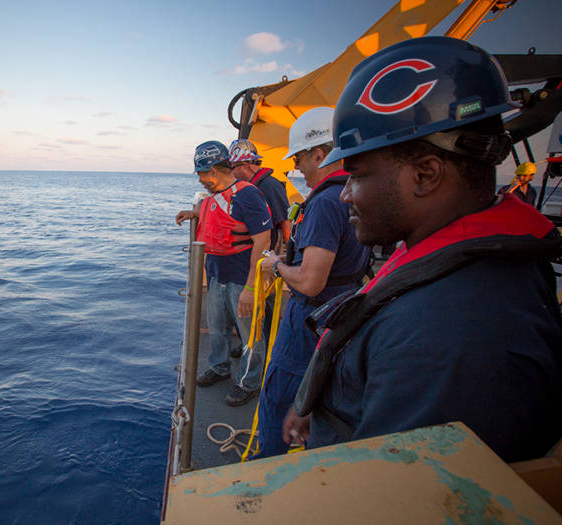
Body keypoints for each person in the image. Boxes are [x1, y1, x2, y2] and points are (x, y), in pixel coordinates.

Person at [283, 36, 562, 463]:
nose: (345, 195)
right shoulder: (451, 257)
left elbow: (392, 498)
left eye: (356, 175)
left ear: (426, 175)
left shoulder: (444, 340)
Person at [251, 107, 371, 458]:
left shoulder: (322, 205)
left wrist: (275, 265)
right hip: (338, 318)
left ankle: (264, 470)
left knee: (280, 401)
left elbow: (310, 281)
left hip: (309, 324)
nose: (298, 169)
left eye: (300, 159)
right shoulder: (352, 194)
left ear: (320, 154)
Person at [175, 140, 272, 406]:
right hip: (217, 274)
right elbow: (214, 208)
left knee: (250, 334)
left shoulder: (248, 195)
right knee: (218, 328)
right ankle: (219, 367)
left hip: (242, 277)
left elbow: (263, 242)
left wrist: (252, 288)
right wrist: (192, 212)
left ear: (217, 169)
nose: (201, 180)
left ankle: (249, 382)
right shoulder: (212, 197)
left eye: (203, 174)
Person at [227, 139, 291, 253]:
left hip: (266, 255)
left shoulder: (270, 186)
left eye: (232, 168)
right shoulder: (245, 187)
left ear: (246, 165)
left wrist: (292, 256)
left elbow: (285, 223)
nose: (230, 173)